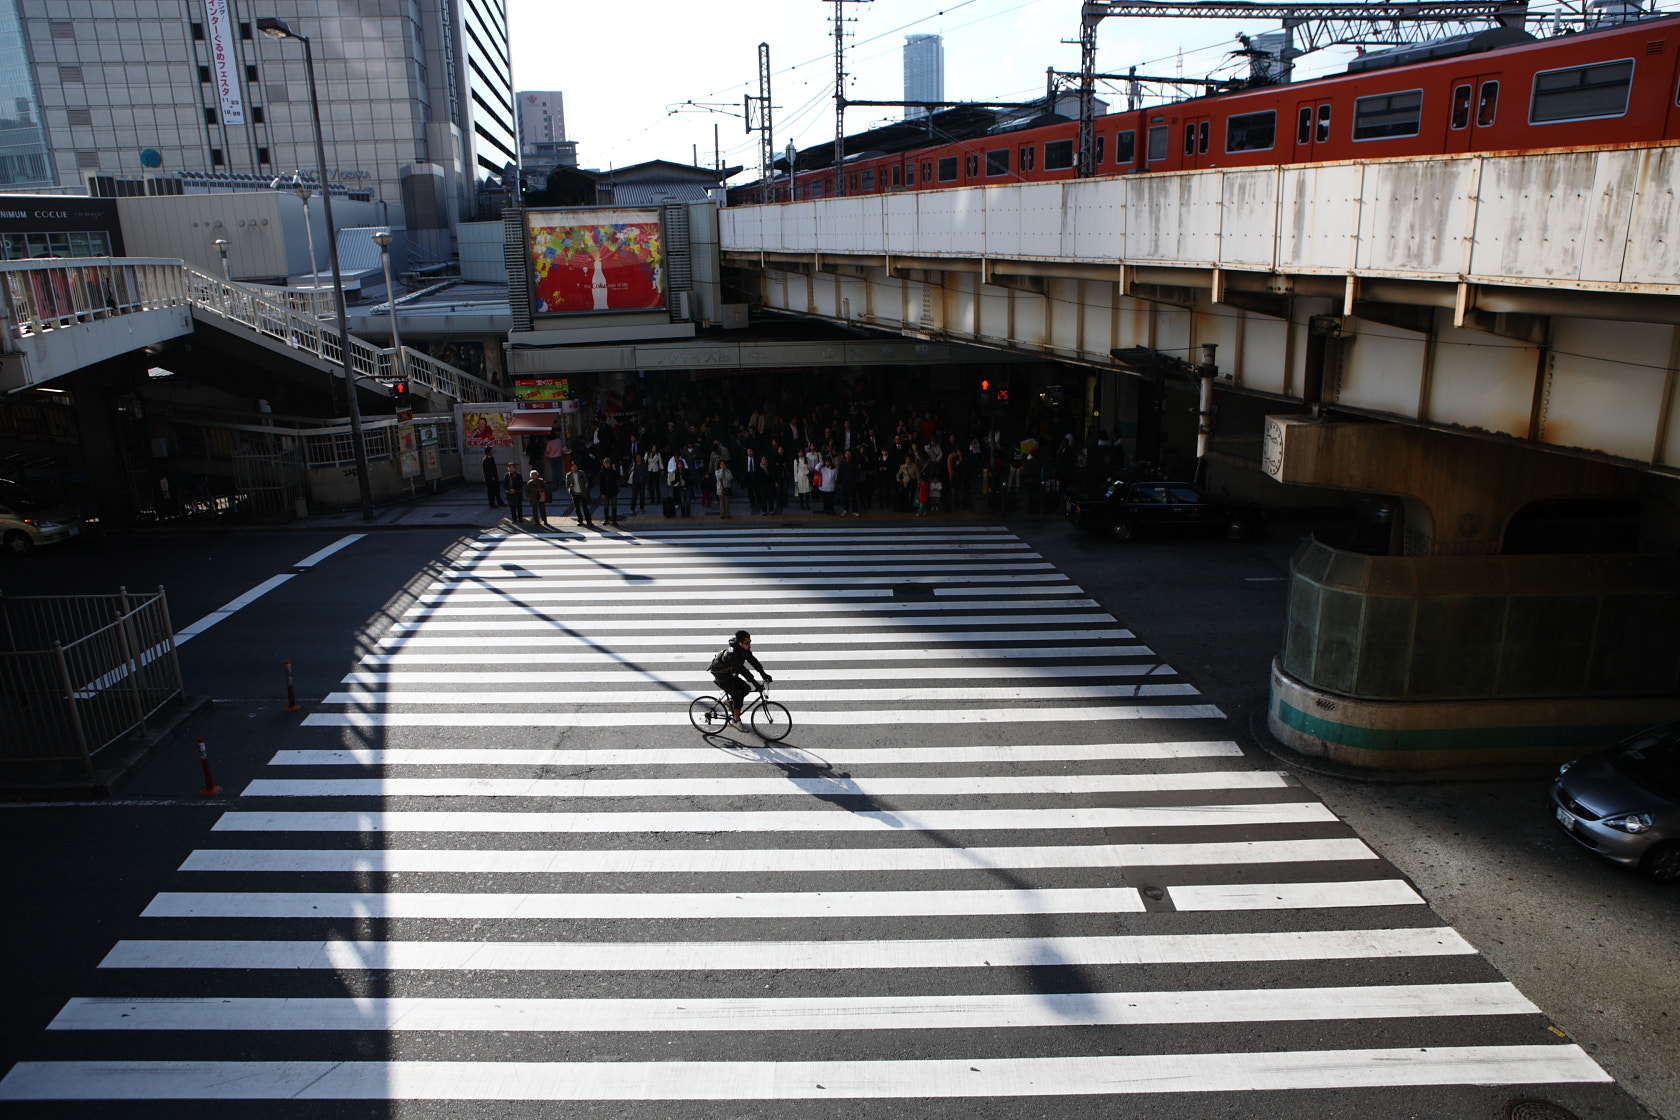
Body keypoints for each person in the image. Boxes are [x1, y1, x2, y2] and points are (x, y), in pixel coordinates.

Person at [709, 630, 772, 731]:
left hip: (731, 674)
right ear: (740, 643)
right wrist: (756, 684)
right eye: (747, 643)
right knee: (737, 695)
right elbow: (743, 671)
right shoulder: (732, 654)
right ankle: (736, 720)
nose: (749, 645)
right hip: (722, 677)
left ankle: (731, 704)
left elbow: (753, 661)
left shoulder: (743, 649)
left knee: (746, 688)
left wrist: (763, 674)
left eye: (750, 642)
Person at [566, 460, 594, 527]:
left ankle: (589, 521)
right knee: (577, 508)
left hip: (582, 493)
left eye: (575, 467)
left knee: (585, 508)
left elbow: (586, 481)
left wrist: (586, 485)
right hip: (574, 493)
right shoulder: (569, 475)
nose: (574, 468)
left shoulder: (581, 473)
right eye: (573, 467)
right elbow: (567, 485)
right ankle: (580, 520)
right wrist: (570, 490)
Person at [598, 457, 622, 526]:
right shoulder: (602, 473)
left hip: (613, 491)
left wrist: (614, 470)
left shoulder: (613, 471)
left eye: (608, 463)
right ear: (604, 464)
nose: (607, 465)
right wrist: (602, 493)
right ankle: (606, 519)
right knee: (606, 506)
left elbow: (618, 477)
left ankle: (614, 520)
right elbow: (601, 484)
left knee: (614, 506)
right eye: (606, 463)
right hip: (606, 492)